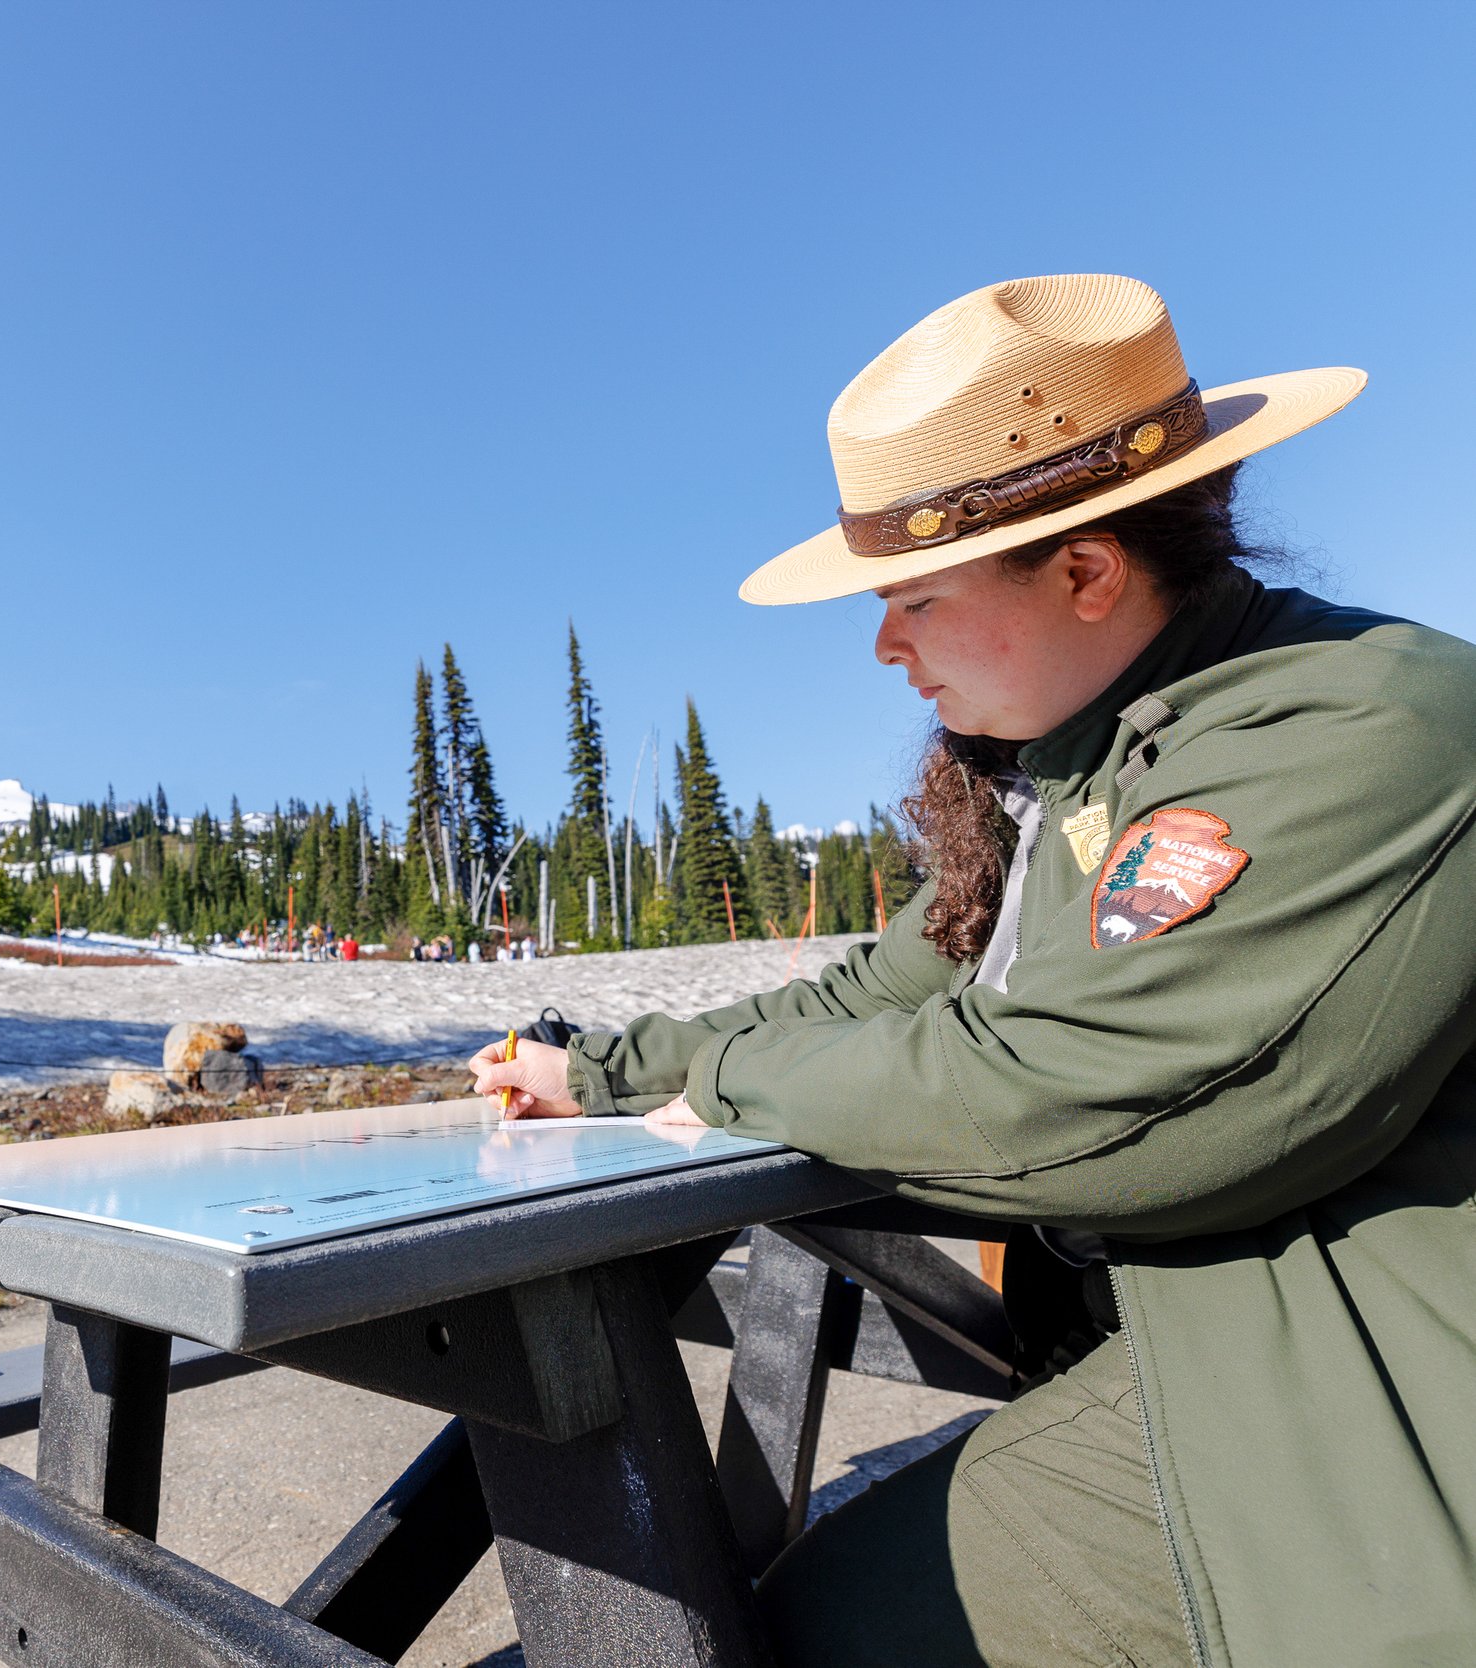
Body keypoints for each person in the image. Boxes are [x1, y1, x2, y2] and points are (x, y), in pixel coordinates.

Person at [468, 275, 1476, 1668]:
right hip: (1217, 1334)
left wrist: (739, 1084)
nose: (886, 645)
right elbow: (875, 997)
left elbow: (1082, 1096)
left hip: (1378, 1406)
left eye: (918, 600)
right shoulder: (1074, 771)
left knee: (787, 1633)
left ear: (1087, 573)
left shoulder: (1353, 725)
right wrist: (596, 1072)